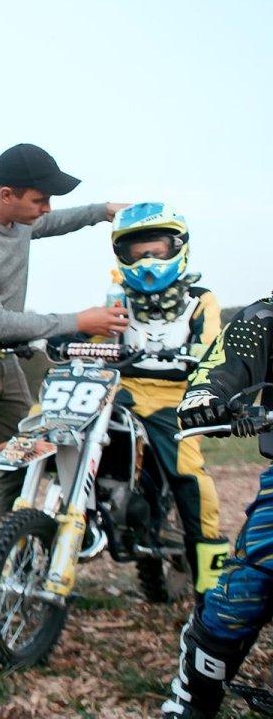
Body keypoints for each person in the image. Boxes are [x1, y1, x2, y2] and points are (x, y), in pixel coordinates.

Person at [0, 143, 129, 626]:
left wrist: (104, 211)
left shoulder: (20, 219)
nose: (46, 209)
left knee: (26, 458)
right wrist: (79, 320)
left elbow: (58, 221)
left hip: (5, 358)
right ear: (6, 194)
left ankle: (6, 563)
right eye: (39, 199)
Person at [107, 203, 228, 601]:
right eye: (137, 251)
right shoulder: (117, 298)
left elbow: (212, 344)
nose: (147, 260)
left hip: (175, 399)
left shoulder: (200, 300)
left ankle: (211, 587)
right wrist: (64, 338)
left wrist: (202, 357)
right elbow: (97, 336)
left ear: (177, 247)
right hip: (122, 392)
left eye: (156, 250)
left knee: (189, 475)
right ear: (122, 255)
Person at [162, 292, 273, 718]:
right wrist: (207, 394)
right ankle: (192, 700)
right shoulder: (265, 314)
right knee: (243, 591)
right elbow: (227, 358)